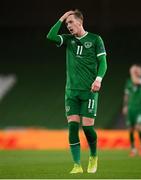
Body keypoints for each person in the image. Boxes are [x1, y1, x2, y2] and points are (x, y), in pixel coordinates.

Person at [47, 9, 107, 173]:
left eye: (71, 22)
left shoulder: (95, 39)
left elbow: (103, 62)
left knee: (87, 128)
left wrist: (98, 79)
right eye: (67, 24)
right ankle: (77, 165)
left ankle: (93, 156)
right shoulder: (68, 40)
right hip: (71, 92)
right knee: (73, 127)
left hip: (89, 92)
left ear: (80, 22)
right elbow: (50, 36)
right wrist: (61, 18)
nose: (68, 26)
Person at [122, 64, 141, 157]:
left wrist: (132, 71)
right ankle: (133, 148)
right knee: (130, 129)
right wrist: (125, 106)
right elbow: (126, 94)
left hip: (140, 108)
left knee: (139, 127)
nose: (138, 72)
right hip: (131, 108)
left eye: (139, 70)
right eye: (136, 70)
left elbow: (135, 81)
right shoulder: (128, 81)